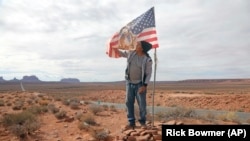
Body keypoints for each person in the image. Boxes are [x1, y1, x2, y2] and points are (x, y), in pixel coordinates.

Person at [117, 40, 153, 129]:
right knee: (128, 102)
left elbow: (148, 73)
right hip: (129, 82)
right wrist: (113, 47)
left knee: (142, 104)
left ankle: (142, 122)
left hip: (140, 84)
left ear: (141, 48)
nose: (136, 44)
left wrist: (144, 85)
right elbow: (121, 54)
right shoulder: (131, 53)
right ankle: (131, 122)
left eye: (138, 44)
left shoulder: (147, 59)